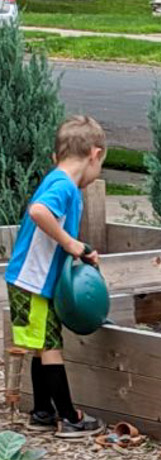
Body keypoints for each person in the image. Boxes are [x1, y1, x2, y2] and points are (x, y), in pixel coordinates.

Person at [5, 115, 107, 438]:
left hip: (30, 282)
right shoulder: (63, 185)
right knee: (50, 347)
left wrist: (80, 251)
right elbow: (38, 212)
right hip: (31, 282)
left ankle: (42, 412)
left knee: (42, 345)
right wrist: (70, 242)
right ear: (95, 154)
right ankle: (69, 417)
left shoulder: (58, 181)